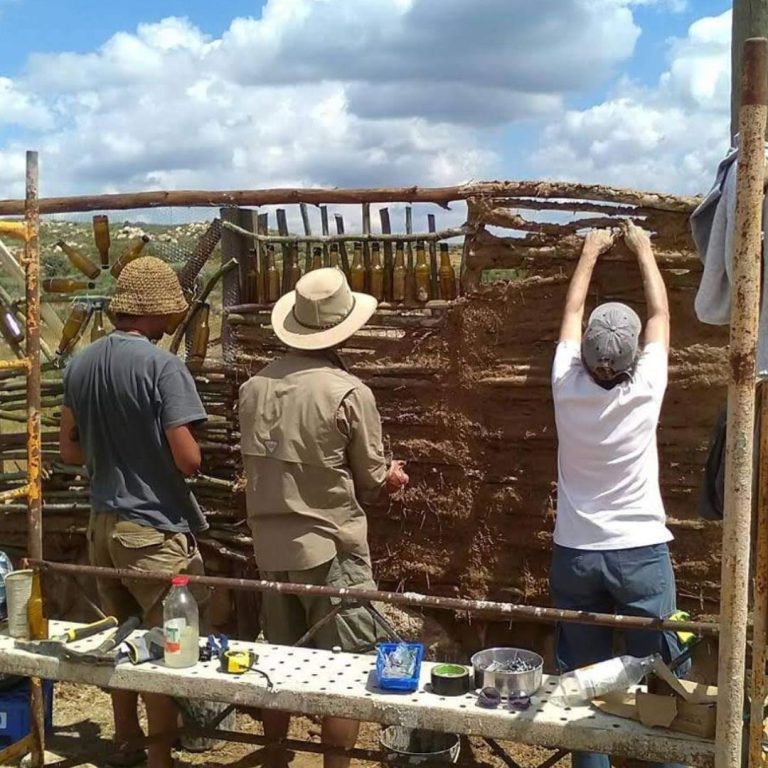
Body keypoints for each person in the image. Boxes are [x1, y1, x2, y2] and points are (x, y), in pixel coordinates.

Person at [239, 267, 409, 768]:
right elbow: (373, 481)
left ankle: (275, 757)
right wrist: (392, 476)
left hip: (271, 549)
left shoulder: (253, 389)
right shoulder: (349, 393)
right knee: (348, 671)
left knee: (279, 661)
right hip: (332, 550)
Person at [59, 256, 208, 768]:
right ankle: (160, 758)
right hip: (151, 529)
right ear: (159, 313)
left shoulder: (80, 364)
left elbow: (70, 451)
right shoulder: (164, 367)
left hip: (101, 523)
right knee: (165, 647)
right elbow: (188, 460)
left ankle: (125, 739)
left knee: (119, 641)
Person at [549, 222, 688, 768]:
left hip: (576, 554)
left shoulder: (565, 385)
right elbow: (661, 316)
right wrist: (644, 249)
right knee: (660, 681)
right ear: (632, 358)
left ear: (584, 353)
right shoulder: (647, 388)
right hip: (640, 555)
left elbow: (569, 315)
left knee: (584, 689)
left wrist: (589, 253)